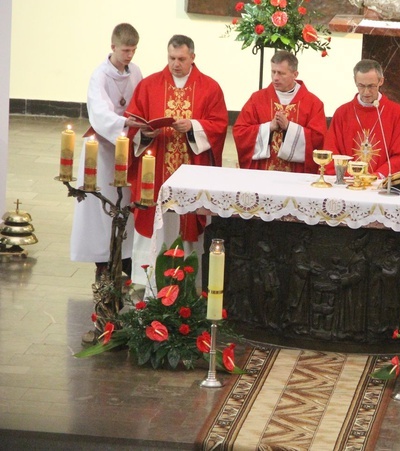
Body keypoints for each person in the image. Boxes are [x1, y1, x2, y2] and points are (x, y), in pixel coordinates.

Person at [126, 35, 228, 294]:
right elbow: (134, 121)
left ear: (193, 57)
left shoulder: (210, 87)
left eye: (181, 59)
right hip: (157, 168)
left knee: (187, 220)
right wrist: (144, 134)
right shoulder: (149, 85)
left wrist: (193, 126)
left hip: (190, 169)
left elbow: (219, 125)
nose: (175, 64)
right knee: (155, 220)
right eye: (171, 58)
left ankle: (188, 282)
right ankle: (148, 280)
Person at [70, 23, 143, 281]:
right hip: (102, 149)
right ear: (113, 47)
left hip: (127, 147)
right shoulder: (99, 75)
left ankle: (125, 258)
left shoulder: (136, 72)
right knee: (101, 208)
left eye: (133, 50)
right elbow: (99, 114)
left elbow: (141, 102)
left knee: (127, 204)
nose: (130, 55)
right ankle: (102, 261)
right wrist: (124, 123)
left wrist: (141, 124)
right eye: (126, 50)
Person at [233, 51, 326, 172]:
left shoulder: (313, 103)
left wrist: (289, 127)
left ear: (295, 74)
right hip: (263, 174)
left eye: (281, 73)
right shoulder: (257, 99)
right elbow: (240, 132)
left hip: (296, 176)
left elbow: (318, 140)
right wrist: (268, 128)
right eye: (273, 72)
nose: (275, 78)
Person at [324, 59, 400, 177]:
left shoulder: (396, 113)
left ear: (381, 81)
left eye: (371, 86)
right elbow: (331, 152)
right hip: (347, 184)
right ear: (355, 81)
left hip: (380, 183)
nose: (366, 92)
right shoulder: (342, 113)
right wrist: (349, 177)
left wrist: (377, 175)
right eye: (361, 86)